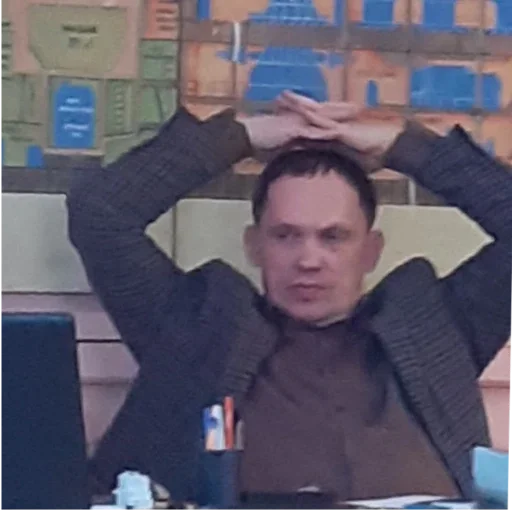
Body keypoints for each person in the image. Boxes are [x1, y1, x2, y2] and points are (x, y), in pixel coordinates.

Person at [67, 91, 512, 503]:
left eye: (333, 237)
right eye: (285, 236)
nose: (308, 260)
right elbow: (101, 213)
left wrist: (404, 145)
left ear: (371, 251)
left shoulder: (436, 329)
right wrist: (239, 136)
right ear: (254, 245)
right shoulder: (198, 325)